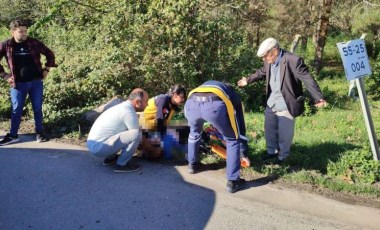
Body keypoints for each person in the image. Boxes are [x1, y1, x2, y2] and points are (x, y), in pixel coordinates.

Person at [237, 38, 327, 164]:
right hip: (271, 102)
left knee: (285, 134)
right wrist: (248, 79)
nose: (264, 59)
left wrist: (318, 98)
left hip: (287, 103)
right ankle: (271, 152)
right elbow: (262, 72)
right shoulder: (269, 61)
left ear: (274, 51)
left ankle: (283, 157)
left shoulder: (293, 60)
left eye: (265, 56)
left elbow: (308, 79)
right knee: (270, 130)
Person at [184, 80, 250, 193]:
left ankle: (192, 165)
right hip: (214, 105)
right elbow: (240, 128)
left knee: (194, 134)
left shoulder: (209, 85)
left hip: (191, 102)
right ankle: (233, 181)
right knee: (232, 139)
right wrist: (244, 153)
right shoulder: (232, 95)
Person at [0, 20, 57, 145]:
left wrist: (47, 69)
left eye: (25, 31)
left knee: (37, 108)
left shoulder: (33, 42)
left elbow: (50, 54)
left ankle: (39, 133)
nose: (24, 33)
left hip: (36, 82)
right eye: (21, 31)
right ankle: (13, 135)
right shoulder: (6, 45)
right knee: (17, 110)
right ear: (13, 32)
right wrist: (4, 75)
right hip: (18, 84)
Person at [87, 88, 149, 173]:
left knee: (127, 132)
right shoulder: (128, 111)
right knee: (136, 133)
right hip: (100, 147)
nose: (148, 104)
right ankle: (121, 165)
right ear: (137, 102)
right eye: (146, 101)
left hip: (95, 144)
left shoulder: (122, 107)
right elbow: (135, 135)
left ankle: (110, 159)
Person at [141, 84, 187, 159]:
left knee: (183, 127)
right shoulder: (163, 100)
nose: (183, 100)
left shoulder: (173, 105)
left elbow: (166, 122)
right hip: (147, 128)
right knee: (162, 148)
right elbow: (160, 120)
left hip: (156, 127)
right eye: (181, 97)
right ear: (175, 95)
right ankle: (149, 151)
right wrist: (160, 141)